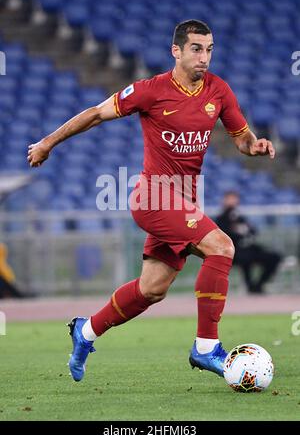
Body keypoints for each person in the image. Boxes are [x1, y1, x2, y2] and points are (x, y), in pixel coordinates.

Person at [27, 20, 275, 382]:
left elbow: (240, 134)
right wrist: (48, 142)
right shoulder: (150, 91)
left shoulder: (218, 90)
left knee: (151, 290)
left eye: (209, 49)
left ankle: (86, 331)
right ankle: (206, 349)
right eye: (196, 49)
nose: (204, 57)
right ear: (176, 50)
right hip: (153, 196)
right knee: (222, 247)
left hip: (185, 201)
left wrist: (253, 145)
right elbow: (96, 114)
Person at [216, 191, 282, 294]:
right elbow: (225, 235)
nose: (232, 201)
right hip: (234, 251)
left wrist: (243, 231)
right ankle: (250, 286)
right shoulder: (221, 218)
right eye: (230, 199)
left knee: (274, 257)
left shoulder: (240, 217)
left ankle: (258, 285)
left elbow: (253, 231)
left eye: (234, 198)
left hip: (248, 247)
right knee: (245, 258)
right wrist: (238, 231)